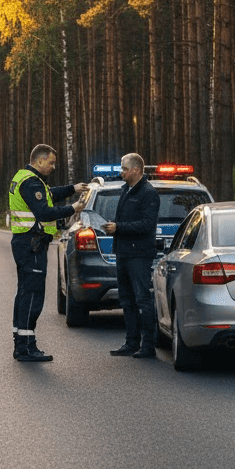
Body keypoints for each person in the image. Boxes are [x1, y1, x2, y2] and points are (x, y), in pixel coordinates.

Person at [8, 144, 88, 362]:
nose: (53, 166)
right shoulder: (32, 182)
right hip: (32, 243)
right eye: (51, 162)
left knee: (25, 292)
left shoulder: (26, 178)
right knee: (33, 295)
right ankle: (26, 347)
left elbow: (49, 195)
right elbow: (43, 212)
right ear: (39, 160)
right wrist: (73, 208)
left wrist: (73, 188)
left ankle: (20, 340)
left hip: (26, 242)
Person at [103, 152, 161, 358]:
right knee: (126, 300)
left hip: (139, 254)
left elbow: (146, 224)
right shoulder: (126, 190)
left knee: (142, 299)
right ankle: (131, 342)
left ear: (136, 170)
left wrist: (118, 227)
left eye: (124, 169)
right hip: (124, 252)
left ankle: (148, 346)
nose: (122, 172)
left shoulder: (148, 193)